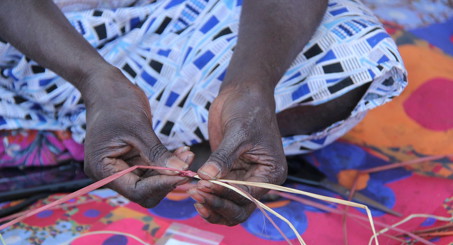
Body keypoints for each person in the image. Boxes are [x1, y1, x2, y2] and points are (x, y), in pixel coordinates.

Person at [0, 0, 407, 226]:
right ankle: (164, 137)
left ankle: (205, 139)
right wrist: (96, 81)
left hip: (184, 16)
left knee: (355, 48)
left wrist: (250, 84)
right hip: (47, 35)